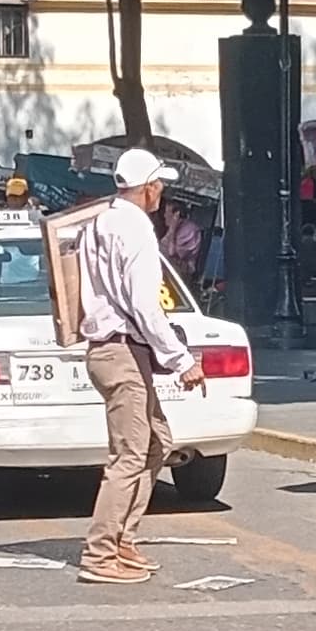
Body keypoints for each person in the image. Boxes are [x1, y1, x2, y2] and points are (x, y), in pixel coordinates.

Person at [71, 149, 204, 584]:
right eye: (159, 185)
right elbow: (146, 305)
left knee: (155, 441)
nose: (162, 193)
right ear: (147, 187)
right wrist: (182, 360)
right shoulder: (138, 230)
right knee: (130, 454)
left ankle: (123, 539)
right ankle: (100, 552)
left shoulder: (99, 223)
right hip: (122, 350)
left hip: (109, 348)